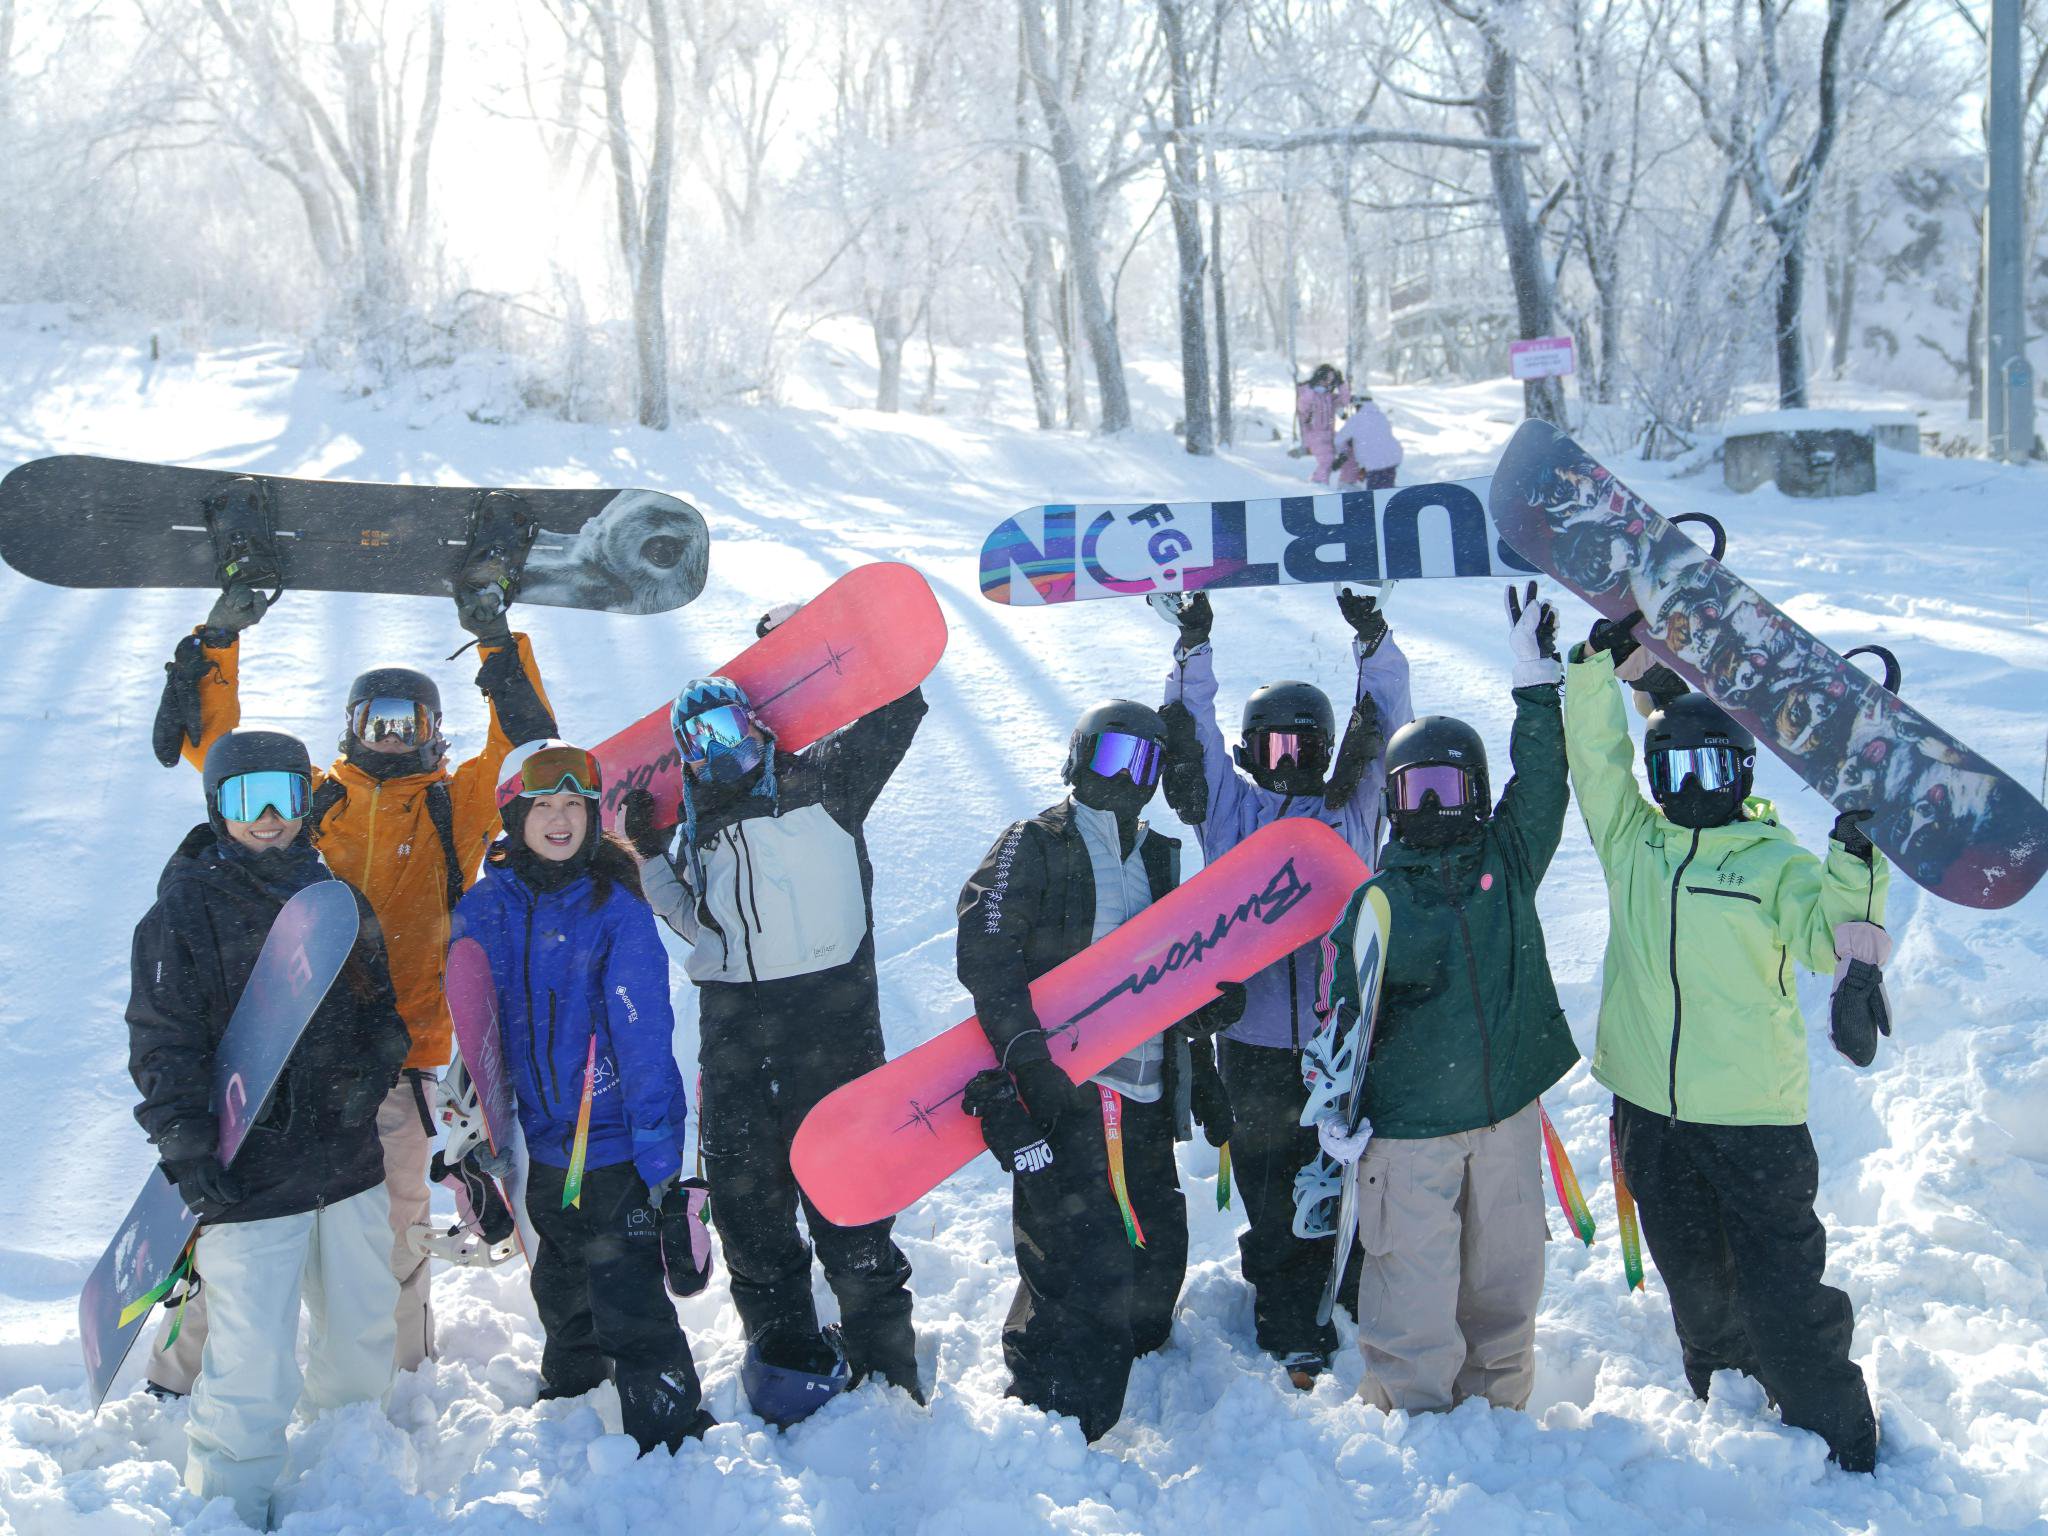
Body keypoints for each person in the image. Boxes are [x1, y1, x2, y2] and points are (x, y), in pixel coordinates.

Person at [145, 578, 556, 1392]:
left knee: (397, 1223)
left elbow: (517, 738)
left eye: (413, 724)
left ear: (434, 732)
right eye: (380, 722)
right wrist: (220, 638)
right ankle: (178, 1373)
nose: (396, 739)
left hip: (392, 1054)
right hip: (271, 1048)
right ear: (352, 726)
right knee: (227, 1220)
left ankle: (401, 1372)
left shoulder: (454, 807)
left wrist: (495, 638)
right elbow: (220, 748)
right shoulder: (312, 796)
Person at [1566, 610, 1892, 1471]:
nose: (1690, 783)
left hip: (1753, 1122)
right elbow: (1596, 766)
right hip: (1650, 1113)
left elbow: (1831, 931)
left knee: (1786, 1305)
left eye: (1711, 764)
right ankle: (1729, 1420)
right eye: (1671, 766)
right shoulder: (1635, 843)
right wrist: (1597, 671)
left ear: (1741, 773)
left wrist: (1857, 859)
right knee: (1702, 1299)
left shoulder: (1773, 863)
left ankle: (1843, 1442)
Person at [620, 620, 926, 1425]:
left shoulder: (829, 783)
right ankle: (787, 1358)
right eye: (695, 743)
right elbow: (699, 930)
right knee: (749, 1209)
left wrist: (817, 641)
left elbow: (900, 706)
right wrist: (652, 859)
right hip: (736, 1032)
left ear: (756, 727)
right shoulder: (696, 831)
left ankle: (887, 1372)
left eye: (725, 728)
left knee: (851, 1202)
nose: (713, 752)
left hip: (833, 1024)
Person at [127, 730, 411, 1529]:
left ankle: (344, 1484)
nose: (270, 820)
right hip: (247, 1182)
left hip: (346, 1167)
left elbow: (379, 1013)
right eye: (249, 801)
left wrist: (377, 1063)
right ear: (218, 806)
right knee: (251, 1368)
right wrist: (186, 1147)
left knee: (361, 1340)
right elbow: (162, 1041)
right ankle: (229, 1506)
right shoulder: (183, 910)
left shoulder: (336, 900)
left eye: (285, 797)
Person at [1315, 583, 1579, 1413]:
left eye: (1448, 789)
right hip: (1411, 1136)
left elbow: (1542, 785)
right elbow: (1343, 1017)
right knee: (1413, 1297)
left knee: (1504, 1288)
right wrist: (1333, 1100)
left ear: (1475, 791)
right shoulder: (1379, 899)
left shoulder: (1507, 859)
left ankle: (1500, 1418)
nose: (1432, 807)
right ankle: (1407, 1429)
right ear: (1393, 799)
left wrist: (1536, 687)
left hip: (1503, 1119)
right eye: (1415, 790)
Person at [955, 699, 1243, 1441]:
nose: (1127, 776)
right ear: (1081, 756)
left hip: (1144, 1090)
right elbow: (987, 951)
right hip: (1072, 1086)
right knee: (1076, 1251)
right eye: (1114, 755)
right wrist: (1028, 1058)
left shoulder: (1158, 856)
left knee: (1153, 1248)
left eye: (1144, 763)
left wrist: (1202, 1044)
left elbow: (1174, 972)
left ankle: (1138, 1347)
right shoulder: (1038, 840)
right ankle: (1053, 1395)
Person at [1152, 585, 1411, 1387]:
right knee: (1272, 1179)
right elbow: (1186, 739)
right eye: (1274, 751)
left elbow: (1391, 722)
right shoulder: (1230, 814)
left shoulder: (1356, 808)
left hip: (1345, 1043)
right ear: (1251, 754)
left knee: (1353, 1177)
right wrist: (1193, 648)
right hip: (1256, 1039)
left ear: (1330, 750)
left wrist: (1373, 639)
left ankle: (1359, 1292)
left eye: (1305, 749)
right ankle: (1286, 1309)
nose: (1290, 766)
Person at [448, 740, 714, 1454]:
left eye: (575, 804)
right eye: (545, 806)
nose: (561, 818)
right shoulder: (486, 908)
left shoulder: (613, 906)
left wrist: (664, 1167)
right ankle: (573, 1394)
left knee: (628, 1298)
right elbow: (475, 1036)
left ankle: (672, 1431)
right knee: (561, 1287)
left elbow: (645, 1037)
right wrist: (476, 1146)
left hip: (613, 1145)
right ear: (514, 814)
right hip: (537, 1148)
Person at [1333, 391, 1403, 490]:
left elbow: (1339, 440)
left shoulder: (1356, 419)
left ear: (1358, 404)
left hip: (1375, 463)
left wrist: (1342, 453)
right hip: (1393, 457)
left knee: (1377, 496)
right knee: (1387, 489)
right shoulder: (1381, 416)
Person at [1295, 364, 1350, 485]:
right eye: (1326, 379)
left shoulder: (1328, 396)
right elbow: (1302, 407)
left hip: (1328, 434)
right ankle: (1318, 486)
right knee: (1327, 461)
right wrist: (1311, 388)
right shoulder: (1308, 393)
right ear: (1319, 378)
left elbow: (1345, 401)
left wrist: (1341, 384)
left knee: (1345, 448)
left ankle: (1319, 481)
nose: (1328, 383)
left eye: (1331, 380)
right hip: (1313, 434)